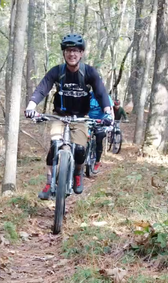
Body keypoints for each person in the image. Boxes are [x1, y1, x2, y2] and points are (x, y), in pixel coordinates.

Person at [24, 33, 112, 200]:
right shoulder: (57, 71)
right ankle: (50, 182)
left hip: (80, 118)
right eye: (69, 50)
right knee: (55, 144)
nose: (72, 54)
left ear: (82, 53)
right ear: (64, 53)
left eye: (76, 51)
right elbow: (42, 88)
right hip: (60, 116)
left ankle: (78, 173)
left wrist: (108, 110)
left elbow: (100, 93)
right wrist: (31, 106)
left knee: (80, 149)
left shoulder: (89, 72)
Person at [87, 91, 113, 173]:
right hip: (88, 120)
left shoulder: (105, 97)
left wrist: (110, 121)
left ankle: (97, 161)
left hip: (102, 121)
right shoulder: (89, 95)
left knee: (99, 139)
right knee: (83, 137)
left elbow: (111, 111)